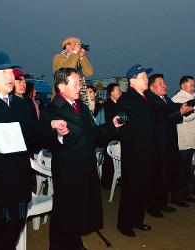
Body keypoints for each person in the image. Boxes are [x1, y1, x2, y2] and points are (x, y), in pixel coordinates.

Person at [0, 51, 68, 250]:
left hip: (20, 184)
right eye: (3, 73)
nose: (10, 77)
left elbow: (33, 134)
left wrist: (55, 133)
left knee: (12, 237)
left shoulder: (20, 103)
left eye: (11, 72)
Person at [40, 67, 122, 250]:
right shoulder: (52, 109)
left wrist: (112, 126)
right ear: (62, 86)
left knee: (77, 211)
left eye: (80, 84)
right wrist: (57, 134)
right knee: (64, 211)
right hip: (68, 169)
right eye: (75, 84)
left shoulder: (81, 107)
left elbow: (94, 135)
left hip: (86, 166)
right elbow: (42, 138)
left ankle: (75, 244)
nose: (80, 88)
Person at [116, 64, 157, 237]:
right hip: (134, 153)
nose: (147, 79)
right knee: (131, 189)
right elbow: (123, 127)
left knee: (142, 187)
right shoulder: (126, 99)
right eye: (143, 76)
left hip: (147, 151)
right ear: (133, 80)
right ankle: (124, 224)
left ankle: (137, 220)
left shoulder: (146, 97)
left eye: (147, 76)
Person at [145, 74, 193, 212]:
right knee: (157, 176)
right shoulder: (150, 99)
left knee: (166, 174)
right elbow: (161, 117)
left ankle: (163, 204)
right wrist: (180, 112)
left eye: (165, 83)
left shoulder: (165, 99)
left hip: (169, 142)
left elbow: (174, 109)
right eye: (161, 84)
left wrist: (188, 107)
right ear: (152, 87)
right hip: (158, 143)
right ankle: (153, 207)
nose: (165, 85)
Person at [172, 75, 195, 202]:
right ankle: (177, 197)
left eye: (194, 85)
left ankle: (186, 195)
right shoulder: (178, 98)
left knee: (188, 169)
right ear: (183, 86)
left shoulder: (192, 98)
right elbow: (186, 116)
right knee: (181, 170)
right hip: (183, 141)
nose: (194, 87)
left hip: (191, 140)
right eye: (191, 85)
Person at [52, 36, 93, 104]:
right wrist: (74, 53)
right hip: (64, 97)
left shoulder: (76, 58)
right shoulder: (58, 57)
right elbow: (66, 71)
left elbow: (89, 72)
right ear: (67, 46)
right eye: (75, 44)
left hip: (80, 96)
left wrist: (82, 57)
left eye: (78, 45)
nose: (78, 47)